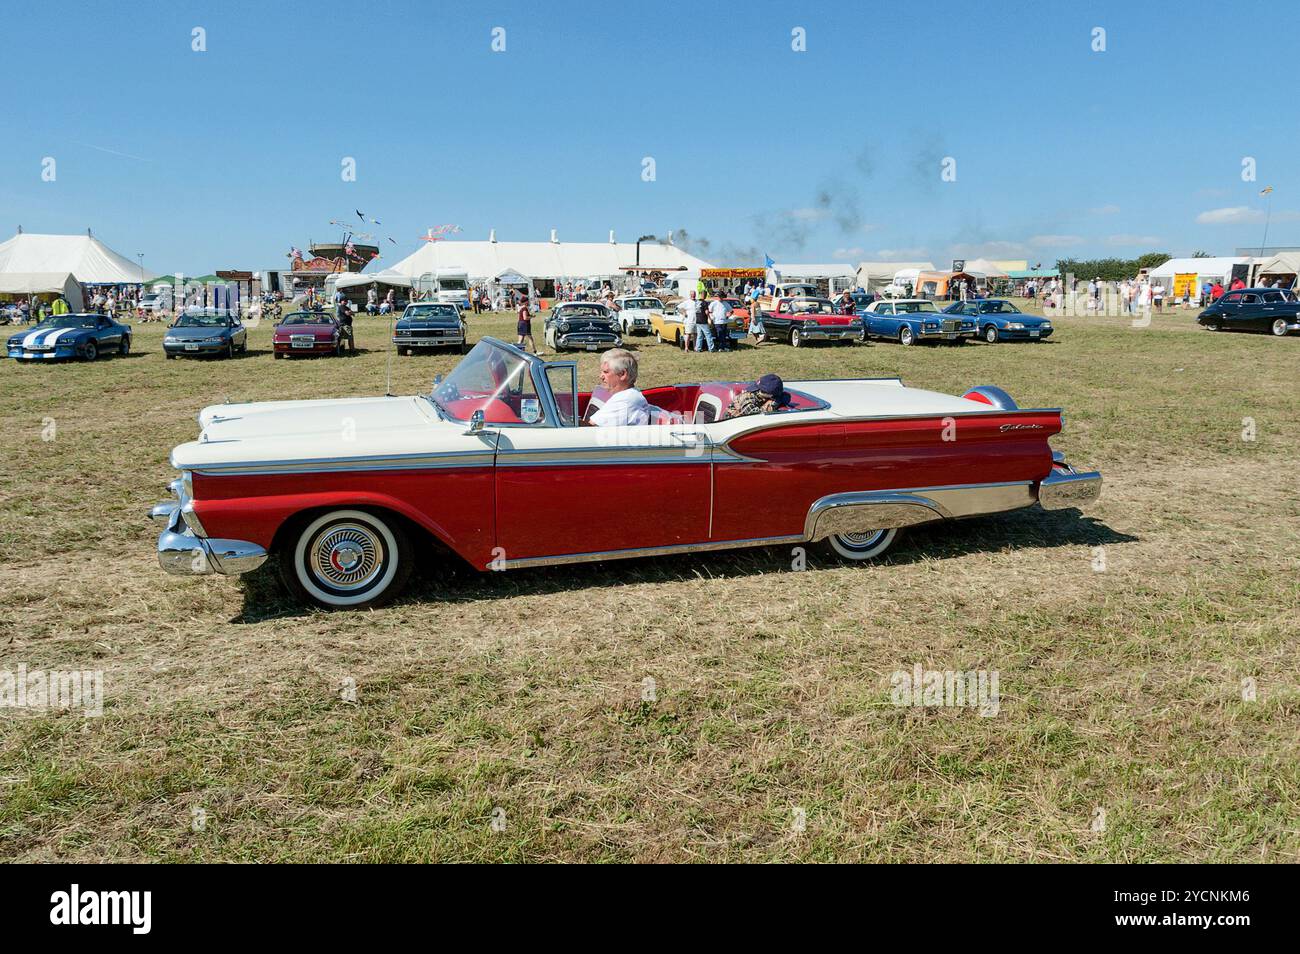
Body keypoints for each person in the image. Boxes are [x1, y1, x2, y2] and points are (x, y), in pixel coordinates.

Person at [587, 349, 649, 426]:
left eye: (606, 372)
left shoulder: (624, 400)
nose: (601, 376)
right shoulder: (631, 394)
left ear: (622, 374)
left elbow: (589, 427)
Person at [724, 373, 792, 419]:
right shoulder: (747, 397)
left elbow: (786, 396)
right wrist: (773, 404)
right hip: (732, 423)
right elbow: (755, 416)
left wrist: (775, 399)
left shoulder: (767, 396)